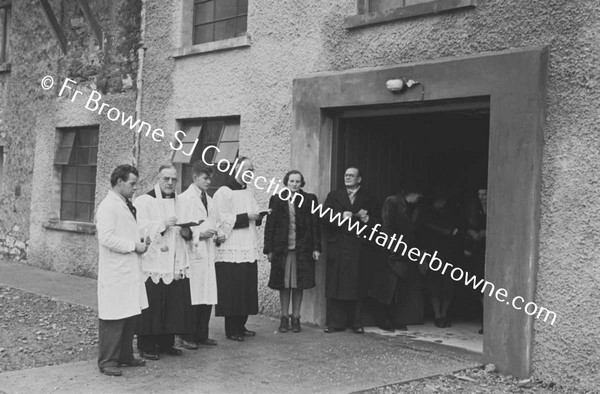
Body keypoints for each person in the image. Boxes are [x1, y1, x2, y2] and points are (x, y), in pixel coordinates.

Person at [134, 164, 191, 359]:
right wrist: (162, 224)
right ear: (158, 179)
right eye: (166, 178)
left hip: (175, 259)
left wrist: (187, 231)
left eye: (174, 179)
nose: (170, 183)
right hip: (155, 261)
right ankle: (147, 345)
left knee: (173, 302)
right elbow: (139, 227)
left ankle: (167, 343)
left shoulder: (180, 201)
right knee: (154, 303)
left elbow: (188, 225)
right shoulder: (144, 201)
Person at [96, 164, 149, 376]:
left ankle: (125, 356)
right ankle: (107, 360)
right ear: (119, 182)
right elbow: (106, 238)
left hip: (129, 269)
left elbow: (126, 231)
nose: (135, 188)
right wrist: (133, 246)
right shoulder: (108, 206)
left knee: (129, 314)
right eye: (132, 184)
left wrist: (141, 242)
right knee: (114, 316)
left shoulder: (125, 204)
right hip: (116, 271)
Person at [322, 166, 380, 334]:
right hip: (339, 246)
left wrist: (367, 219)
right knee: (336, 284)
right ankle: (335, 323)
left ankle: (356, 322)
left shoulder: (368, 198)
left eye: (351, 176)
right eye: (346, 175)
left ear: (359, 179)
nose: (347, 178)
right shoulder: (334, 196)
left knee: (357, 284)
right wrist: (340, 216)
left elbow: (378, 223)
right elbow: (324, 217)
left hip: (359, 247)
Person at [213, 157, 264, 342]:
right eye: (247, 168)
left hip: (247, 245)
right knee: (232, 289)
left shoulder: (248, 191)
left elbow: (254, 213)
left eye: (252, 169)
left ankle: (241, 325)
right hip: (231, 246)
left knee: (246, 288)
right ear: (237, 169)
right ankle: (231, 329)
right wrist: (246, 216)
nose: (250, 172)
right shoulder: (224, 192)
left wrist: (259, 216)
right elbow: (221, 219)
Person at [263, 170, 321, 333]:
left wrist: (316, 248)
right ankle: (283, 317)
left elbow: (315, 224)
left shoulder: (309, 199)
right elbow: (270, 226)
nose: (294, 184)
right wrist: (268, 249)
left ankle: (296, 318)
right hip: (282, 249)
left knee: (298, 285)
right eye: (291, 181)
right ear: (286, 182)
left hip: (302, 249)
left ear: (301, 183)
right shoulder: (276, 199)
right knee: (284, 285)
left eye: (297, 181)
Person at [177, 161, 221, 349]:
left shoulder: (209, 200)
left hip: (207, 252)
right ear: (194, 177)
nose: (208, 181)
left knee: (206, 294)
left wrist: (217, 233)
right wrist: (199, 234)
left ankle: (202, 334)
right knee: (192, 296)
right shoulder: (184, 199)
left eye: (210, 177)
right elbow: (182, 227)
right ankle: (187, 335)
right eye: (205, 177)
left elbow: (214, 222)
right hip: (193, 252)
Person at [369, 186, 422, 332]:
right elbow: (387, 226)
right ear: (412, 193)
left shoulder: (414, 207)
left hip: (405, 251)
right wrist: (391, 248)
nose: (420, 197)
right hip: (390, 250)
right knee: (385, 287)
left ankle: (393, 318)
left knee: (398, 288)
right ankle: (382, 319)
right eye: (418, 194)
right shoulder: (392, 202)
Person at [421, 190, 459, 328]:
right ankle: (438, 315)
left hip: (448, 253)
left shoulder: (450, 213)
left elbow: (457, 231)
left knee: (448, 285)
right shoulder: (427, 213)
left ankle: (443, 314)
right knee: (434, 285)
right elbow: (425, 230)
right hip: (433, 252)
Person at [465, 188, 487, 334]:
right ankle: (484, 321)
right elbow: (468, 227)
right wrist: (472, 234)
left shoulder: (496, 208)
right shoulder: (475, 209)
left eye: (484, 194)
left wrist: (485, 233)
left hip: (492, 249)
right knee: (480, 287)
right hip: (478, 250)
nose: (481, 197)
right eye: (479, 194)